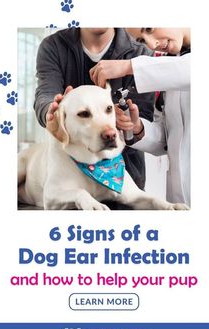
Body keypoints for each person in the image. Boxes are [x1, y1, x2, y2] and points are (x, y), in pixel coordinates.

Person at [34, 28, 156, 201]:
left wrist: (134, 126)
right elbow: (45, 95)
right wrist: (52, 110)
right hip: (67, 177)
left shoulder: (141, 53)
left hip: (125, 178)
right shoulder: (53, 46)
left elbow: (144, 122)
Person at [90, 28, 191, 206]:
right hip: (180, 200)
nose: (152, 45)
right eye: (142, 41)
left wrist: (128, 66)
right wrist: (137, 127)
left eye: (149, 28)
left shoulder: (177, 68)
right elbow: (167, 141)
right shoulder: (169, 69)